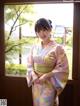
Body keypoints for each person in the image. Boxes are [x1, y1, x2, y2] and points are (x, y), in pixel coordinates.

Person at [26, 18, 69, 106]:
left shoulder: (58, 48)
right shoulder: (34, 47)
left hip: (49, 83)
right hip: (36, 83)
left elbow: (62, 67)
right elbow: (29, 64)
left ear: (50, 30)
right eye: (38, 31)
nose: (42, 33)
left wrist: (46, 75)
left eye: (44, 30)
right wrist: (33, 75)